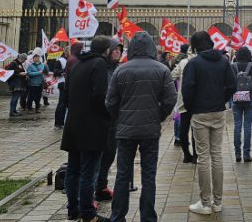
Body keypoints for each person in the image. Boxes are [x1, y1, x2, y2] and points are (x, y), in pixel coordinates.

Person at [106, 32, 177, 222]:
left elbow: (110, 101)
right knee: (149, 175)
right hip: (150, 130)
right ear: (152, 48)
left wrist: (120, 118)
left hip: (125, 130)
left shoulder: (121, 70)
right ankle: (147, 217)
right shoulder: (162, 70)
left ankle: (118, 216)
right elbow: (171, 99)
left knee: (122, 175)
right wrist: (158, 116)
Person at [182, 31, 236, 215]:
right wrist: (222, 99)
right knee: (217, 155)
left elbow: (187, 89)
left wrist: (191, 108)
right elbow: (232, 85)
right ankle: (218, 202)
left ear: (195, 46)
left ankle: (205, 203)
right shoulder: (223, 61)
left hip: (200, 112)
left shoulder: (194, 63)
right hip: (218, 111)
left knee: (203, 157)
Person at [60, 36, 113, 222]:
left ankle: (73, 209)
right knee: (88, 172)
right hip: (91, 126)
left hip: (74, 124)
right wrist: (107, 115)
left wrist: (76, 111)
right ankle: (88, 214)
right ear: (106, 50)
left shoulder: (77, 64)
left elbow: (66, 95)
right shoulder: (99, 64)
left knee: (73, 169)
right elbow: (100, 94)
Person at [95, 40, 123, 202]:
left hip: (114, 120)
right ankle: (94, 188)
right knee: (98, 156)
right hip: (100, 119)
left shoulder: (117, 70)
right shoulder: (101, 69)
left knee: (110, 154)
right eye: (115, 50)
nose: (118, 52)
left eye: (120, 50)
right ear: (107, 51)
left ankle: (102, 185)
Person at [231, 46, 252, 163]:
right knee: (247, 125)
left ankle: (237, 154)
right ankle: (246, 154)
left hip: (236, 97)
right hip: (249, 97)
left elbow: (230, 81)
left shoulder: (233, 66)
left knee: (237, 125)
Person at [171, 44, 197, 163]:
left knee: (184, 127)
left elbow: (172, 76)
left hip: (183, 99)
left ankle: (186, 154)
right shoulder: (200, 62)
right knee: (196, 128)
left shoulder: (182, 62)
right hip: (197, 100)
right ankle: (196, 155)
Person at [53, 48, 68, 129]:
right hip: (62, 84)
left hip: (70, 84)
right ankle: (58, 123)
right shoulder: (60, 60)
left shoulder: (73, 59)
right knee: (62, 104)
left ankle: (64, 122)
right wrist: (63, 71)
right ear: (65, 52)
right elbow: (55, 72)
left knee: (66, 104)